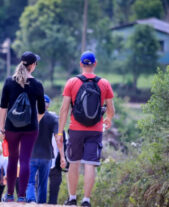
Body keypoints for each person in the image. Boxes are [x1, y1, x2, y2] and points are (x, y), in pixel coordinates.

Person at [57, 51, 115, 207]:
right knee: (90, 163)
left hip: (75, 129)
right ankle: (86, 201)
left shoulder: (71, 82)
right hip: (95, 130)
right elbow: (111, 109)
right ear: (95, 63)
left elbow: (64, 110)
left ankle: (72, 199)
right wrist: (108, 119)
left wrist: (59, 132)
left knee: (74, 162)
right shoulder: (104, 83)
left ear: (81, 64)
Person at [0, 51, 48, 203]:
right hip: (30, 129)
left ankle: (9, 196)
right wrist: (35, 122)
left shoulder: (9, 82)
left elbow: (3, 107)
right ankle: (21, 196)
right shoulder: (38, 85)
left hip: (11, 127)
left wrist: (2, 128)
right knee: (25, 160)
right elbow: (41, 110)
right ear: (32, 65)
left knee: (12, 160)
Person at [26, 94, 65, 203]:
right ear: (48, 105)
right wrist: (63, 156)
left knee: (30, 182)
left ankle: (31, 200)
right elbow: (59, 139)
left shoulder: (29, 117)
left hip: (31, 155)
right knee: (43, 184)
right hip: (47, 156)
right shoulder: (53, 119)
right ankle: (41, 204)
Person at [48, 131, 69, 205]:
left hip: (55, 167)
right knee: (51, 194)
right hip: (51, 166)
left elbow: (66, 148)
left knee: (52, 195)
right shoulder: (62, 132)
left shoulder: (62, 132)